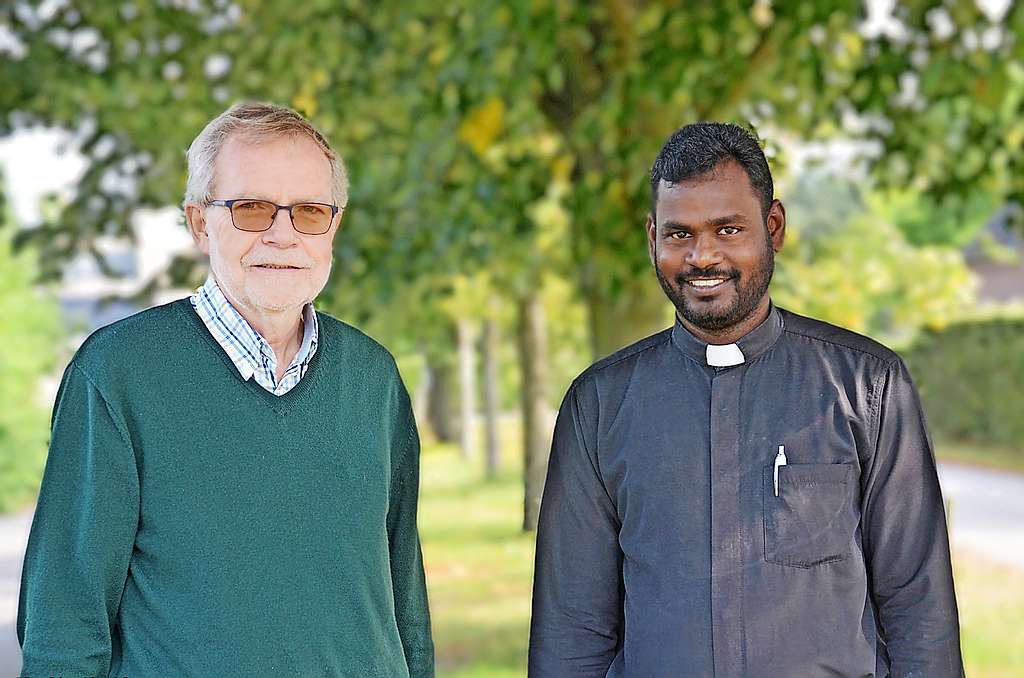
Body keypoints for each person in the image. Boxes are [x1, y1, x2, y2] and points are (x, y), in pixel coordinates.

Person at [528, 122, 962, 677]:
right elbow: (572, 631)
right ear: (652, 236)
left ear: (773, 226)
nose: (702, 257)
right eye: (679, 234)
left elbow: (917, 607)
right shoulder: (599, 406)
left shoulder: (868, 387)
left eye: (728, 230)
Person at [17, 102, 434, 677]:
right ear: (198, 222)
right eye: (253, 210)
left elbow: (404, 599)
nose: (283, 235)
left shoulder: (373, 378)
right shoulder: (118, 374)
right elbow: (64, 623)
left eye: (309, 212)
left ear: (332, 226)